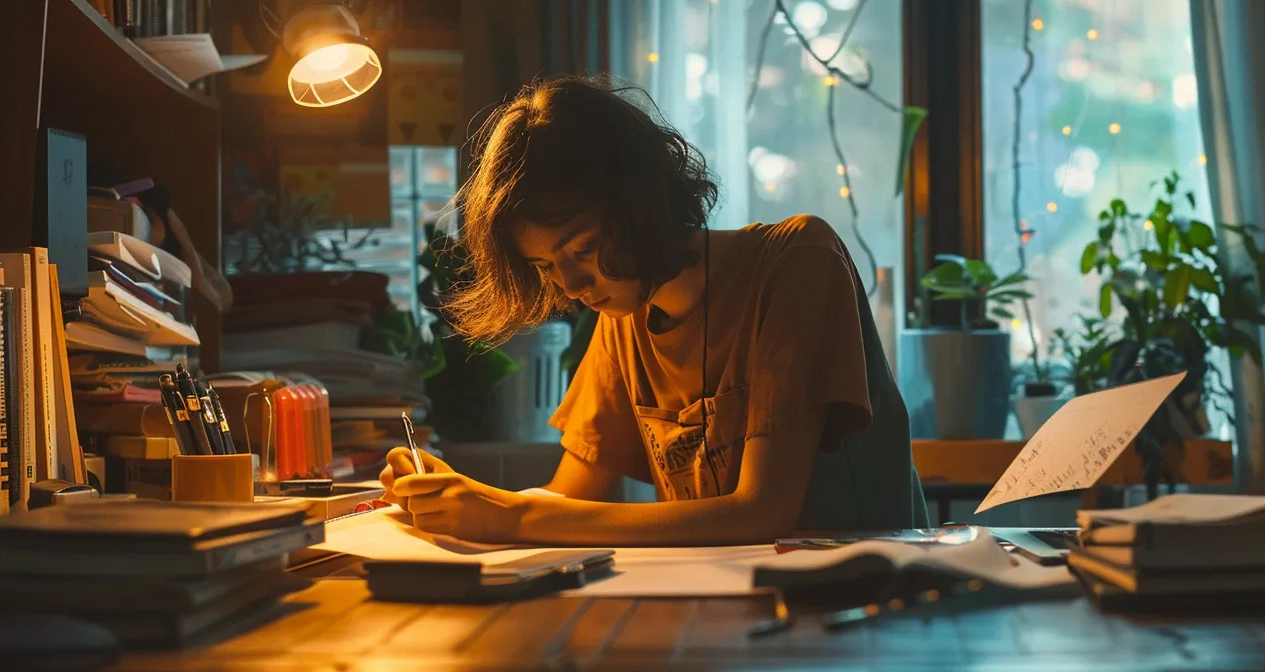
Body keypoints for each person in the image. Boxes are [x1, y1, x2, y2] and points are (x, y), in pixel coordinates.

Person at [377, 76, 929, 546]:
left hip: (863, 613)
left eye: (584, 249)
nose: (570, 287)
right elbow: (569, 496)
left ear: (640, 202)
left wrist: (512, 515)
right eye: (545, 266)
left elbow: (764, 512)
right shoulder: (623, 317)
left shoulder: (797, 261)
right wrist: (460, 498)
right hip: (724, 617)